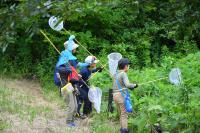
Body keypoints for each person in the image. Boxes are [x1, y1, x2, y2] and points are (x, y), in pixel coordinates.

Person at [54, 35, 81, 127]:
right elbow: (58, 70)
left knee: (76, 106)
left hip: (72, 86)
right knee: (72, 105)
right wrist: (68, 70)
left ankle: (72, 120)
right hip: (66, 86)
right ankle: (68, 121)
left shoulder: (70, 62)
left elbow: (73, 75)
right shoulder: (61, 63)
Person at [113, 58, 138, 133]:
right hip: (121, 96)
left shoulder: (116, 73)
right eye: (128, 65)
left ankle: (122, 129)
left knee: (121, 113)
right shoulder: (123, 74)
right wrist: (134, 85)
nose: (128, 67)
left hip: (115, 95)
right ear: (125, 66)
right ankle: (124, 130)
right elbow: (127, 84)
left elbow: (121, 85)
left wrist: (130, 87)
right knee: (124, 114)